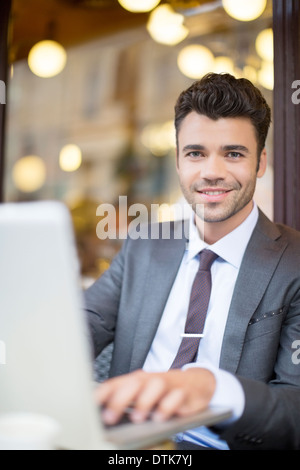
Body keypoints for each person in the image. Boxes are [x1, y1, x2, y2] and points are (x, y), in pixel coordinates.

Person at [84, 73, 300, 450]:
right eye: (196, 153)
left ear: (261, 162)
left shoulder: (294, 263)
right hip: (126, 445)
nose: (211, 171)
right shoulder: (144, 244)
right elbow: (82, 325)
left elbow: (296, 407)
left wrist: (212, 387)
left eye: (233, 153)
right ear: (179, 161)